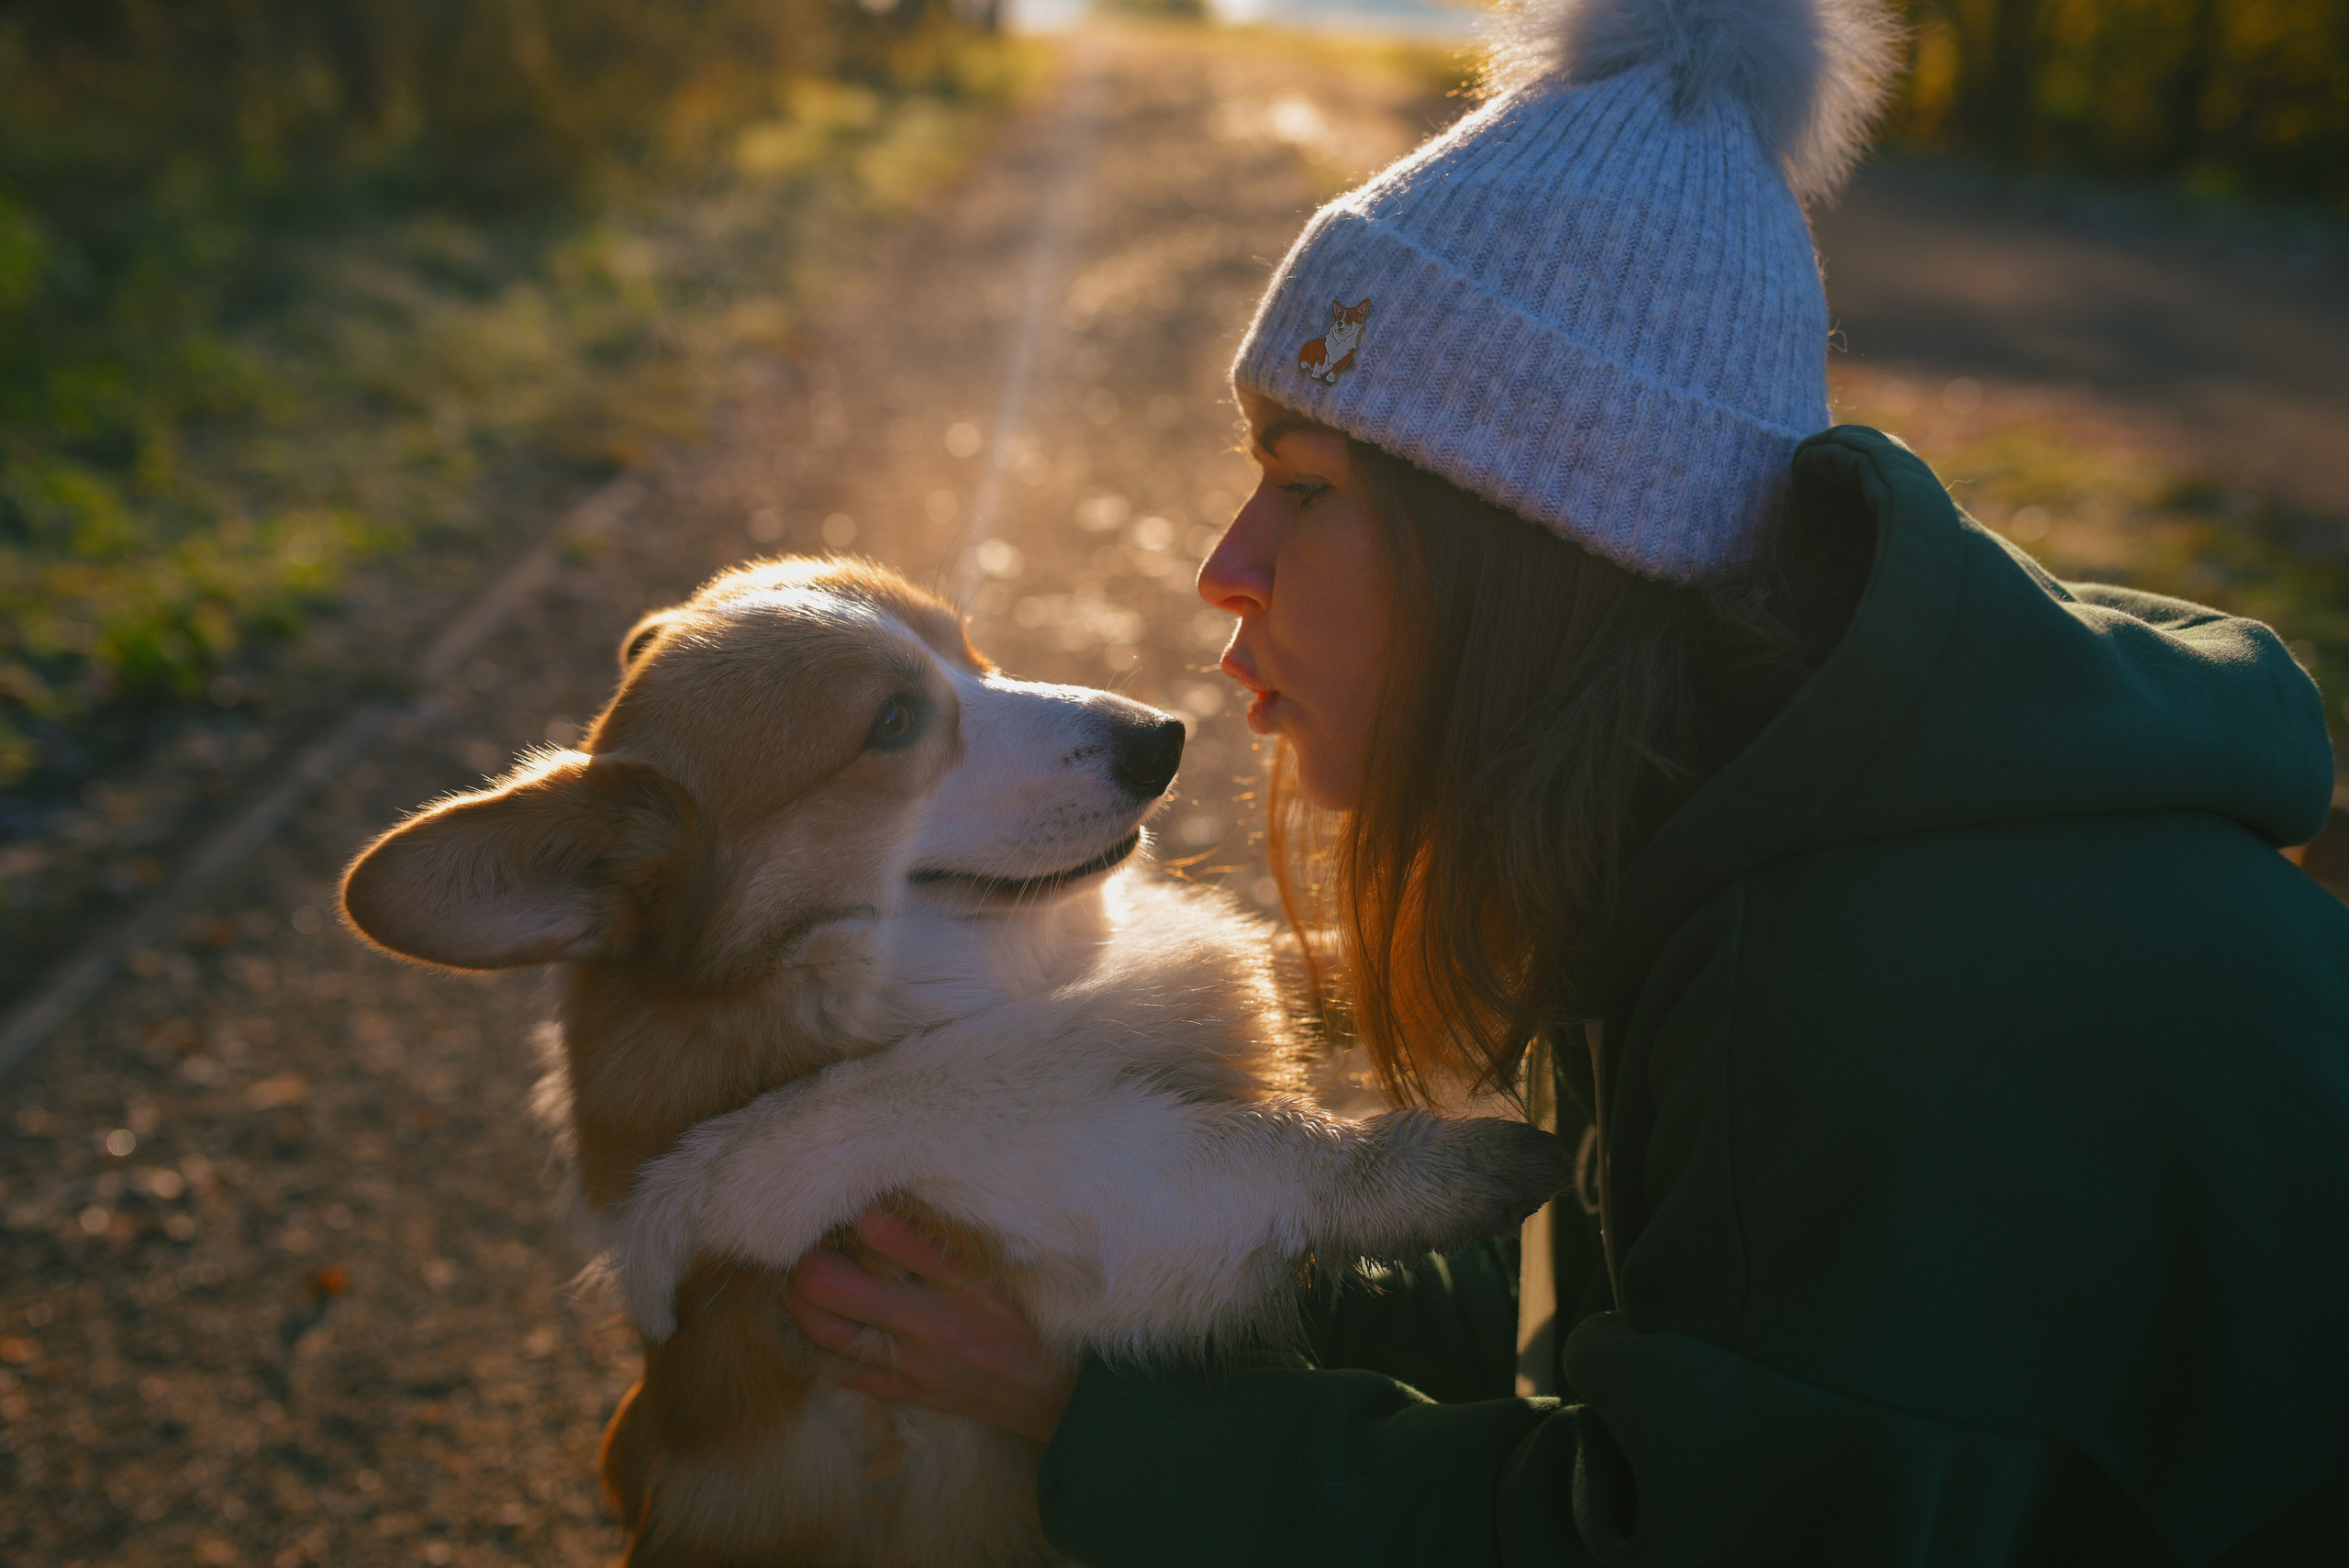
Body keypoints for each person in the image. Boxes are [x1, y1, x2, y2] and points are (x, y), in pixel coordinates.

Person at [775, 0, 2349, 1559]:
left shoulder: (1851, 980)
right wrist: (1113, 1283)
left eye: (1303, 487)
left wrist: (1100, 1423)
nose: (1223, 566)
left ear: (1526, 554)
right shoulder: (1728, 817)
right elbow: (1581, 1307)